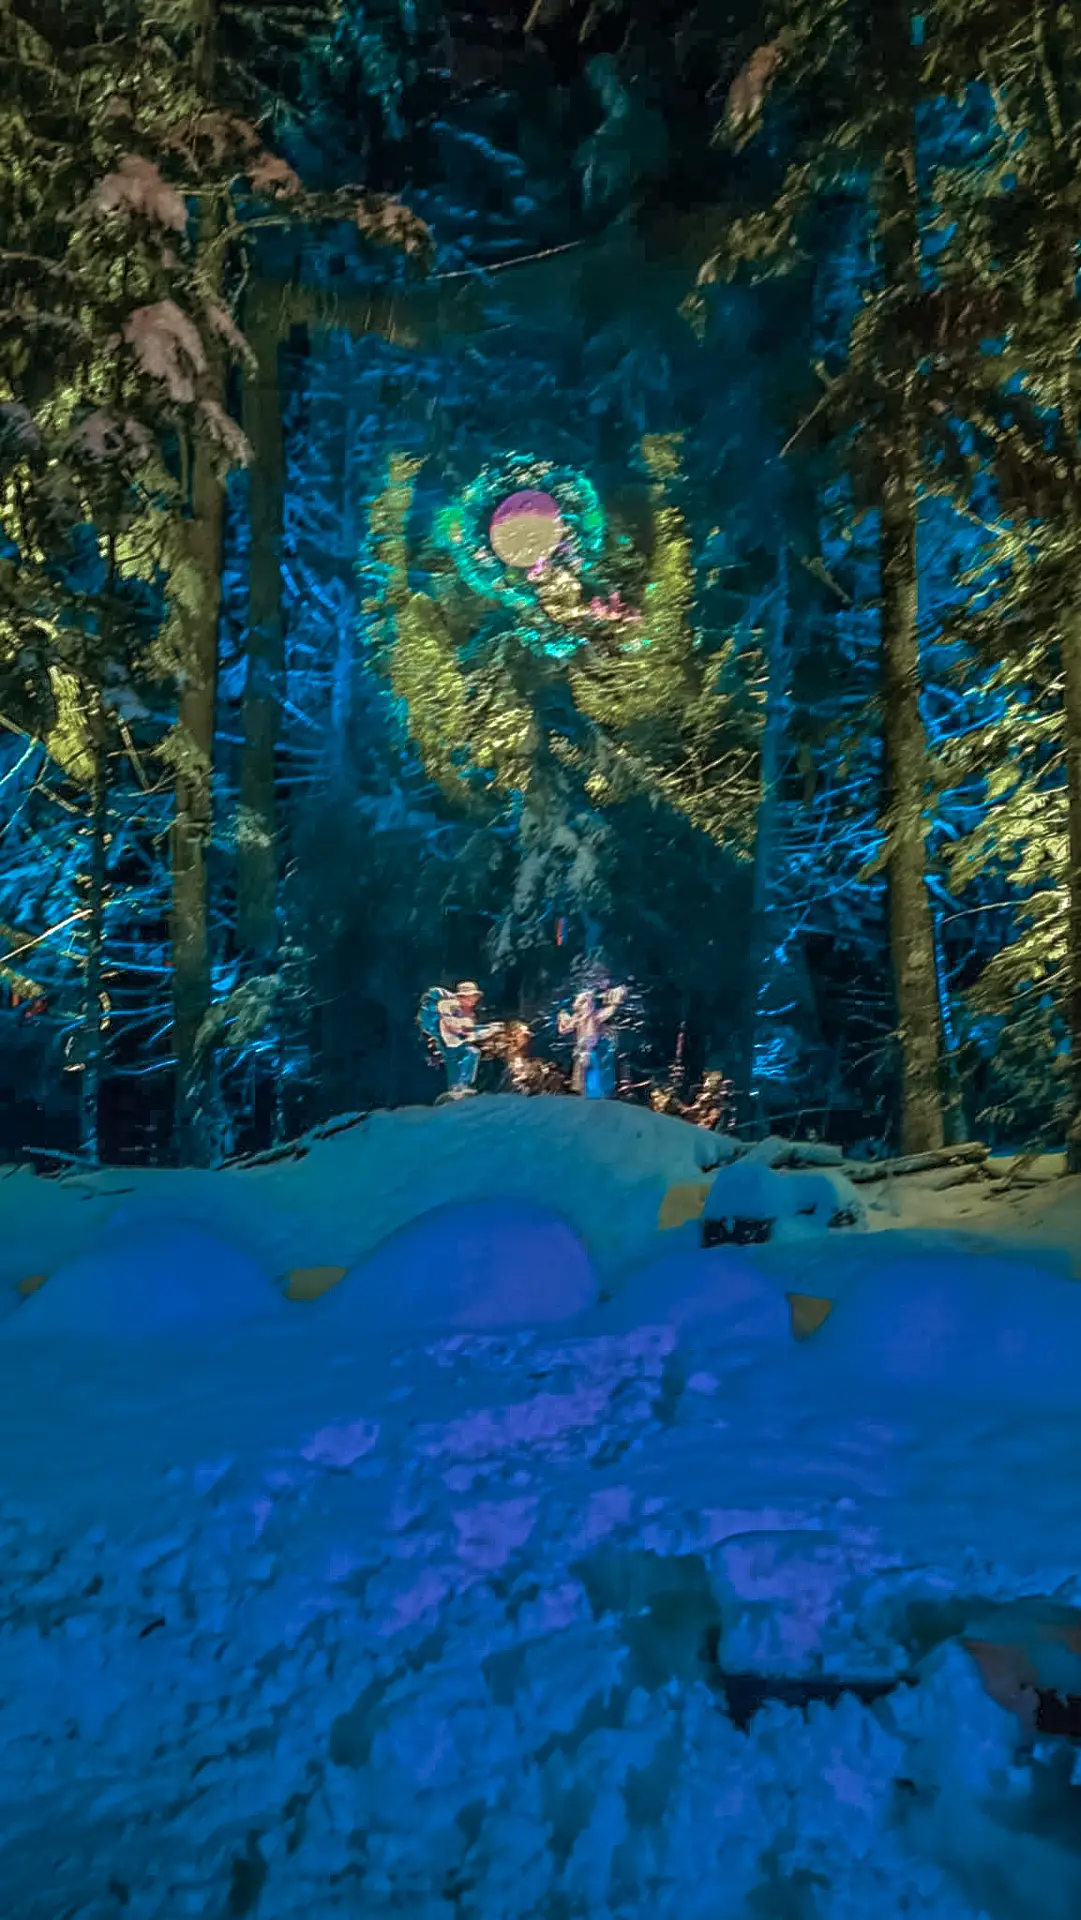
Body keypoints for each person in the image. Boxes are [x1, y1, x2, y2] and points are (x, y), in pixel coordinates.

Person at [433, 981, 500, 1098]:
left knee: (470, 1055)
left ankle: (461, 1086)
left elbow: (470, 1033)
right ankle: (458, 1086)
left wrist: (488, 1030)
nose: (473, 1001)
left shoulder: (468, 1013)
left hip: (458, 1043)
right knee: (464, 1056)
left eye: (475, 997)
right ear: (462, 997)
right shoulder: (451, 1008)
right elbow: (460, 1028)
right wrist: (486, 1029)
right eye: (470, 997)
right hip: (450, 1043)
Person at [558, 984, 626, 1098]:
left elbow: (611, 1010)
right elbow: (564, 1029)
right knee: (581, 1080)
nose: (588, 1004)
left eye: (590, 1001)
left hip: (593, 1052)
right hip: (583, 1051)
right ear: (579, 1005)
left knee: (596, 1080)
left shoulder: (596, 1016)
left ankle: (599, 1097)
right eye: (584, 1002)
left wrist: (617, 997)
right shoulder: (577, 1018)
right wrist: (561, 1018)